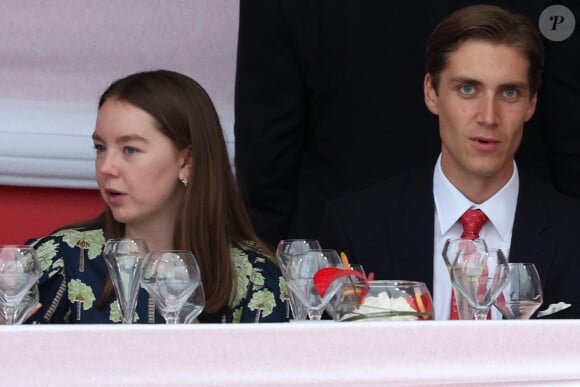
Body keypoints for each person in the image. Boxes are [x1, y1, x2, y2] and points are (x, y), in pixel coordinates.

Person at [233, 1, 578, 249]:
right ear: (430, 90)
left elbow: (265, 146)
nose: (487, 114)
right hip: (343, 251)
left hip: (529, 236)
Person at [319, 5, 580, 320]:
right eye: (468, 89)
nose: (488, 116)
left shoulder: (572, 233)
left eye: (509, 93)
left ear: (531, 103)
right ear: (431, 92)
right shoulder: (358, 227)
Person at [26, 70, 289, 323]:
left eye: (130, 149)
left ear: (187, 161)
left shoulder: (257, 278)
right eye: (100, 148)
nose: (106, 167)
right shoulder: (61, 260)